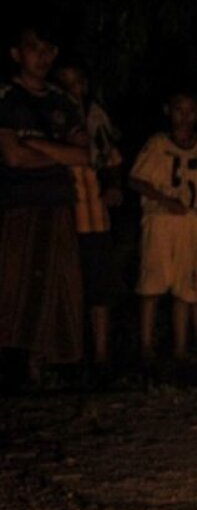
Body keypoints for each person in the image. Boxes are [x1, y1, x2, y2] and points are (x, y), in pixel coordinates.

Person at [0, 24, 87, 388]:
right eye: (34, 48)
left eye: (48, 49)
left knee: (57, 284)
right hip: (17, 205)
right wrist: (59, 154)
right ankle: (13, 365)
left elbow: (83, 154)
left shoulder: (62, 101)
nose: (43, 56)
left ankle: (47, 365)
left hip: (57, 204)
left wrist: (38, 148)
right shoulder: (7, 97)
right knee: (13, 285)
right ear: (17, 53)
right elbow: (13, 157)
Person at [130, 85, 197, 363]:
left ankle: (180, 348)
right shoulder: (158, 144)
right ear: (168, 111)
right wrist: (164, 200)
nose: (184, 117)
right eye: (179, 110)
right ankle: (146, 346)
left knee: (187, 286)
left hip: (193, 223)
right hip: (160, 222)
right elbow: (136, 179)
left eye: (190, 111)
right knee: (152, 283)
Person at [54, 59, 124, 375]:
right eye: (66, 84)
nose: (74, 91)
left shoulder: (98, 120)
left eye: (78, 82)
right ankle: (61, 358)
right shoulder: (51, 122)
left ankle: (101, 357)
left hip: (97, 219)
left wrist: (113, 188)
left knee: (100, 288)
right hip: (65, 221)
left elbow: (112, 163)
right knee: (64, 290)